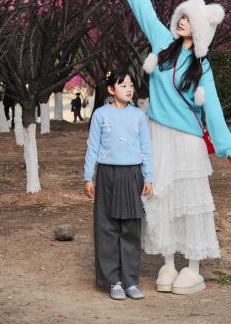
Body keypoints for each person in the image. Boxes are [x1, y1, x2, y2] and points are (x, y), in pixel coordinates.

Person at [123, 0, 231, 295]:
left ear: (200, 29)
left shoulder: (201, 67)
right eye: (181, 17)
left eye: (188, 20)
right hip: (157, 134)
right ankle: (167, 264)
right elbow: (145, 14)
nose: (181, 22)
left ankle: (193, 269)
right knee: (160, 199)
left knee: (190, 204)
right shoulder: (163, 45)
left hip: (188, 141)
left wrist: (227, 146)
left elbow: (214, 108)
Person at [84, 70, 153, 301]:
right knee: (107, 228)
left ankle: (131, 281)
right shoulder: (100, 115)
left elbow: (146, 150)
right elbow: (92, 147)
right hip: (107, 175)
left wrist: (148, 178)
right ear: (111, 90)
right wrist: (88, 177)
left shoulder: (138, 116)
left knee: (131, 228)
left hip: (132, 175)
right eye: (123, 85)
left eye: (131, 85)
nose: (129, 89)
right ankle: (113, 281)